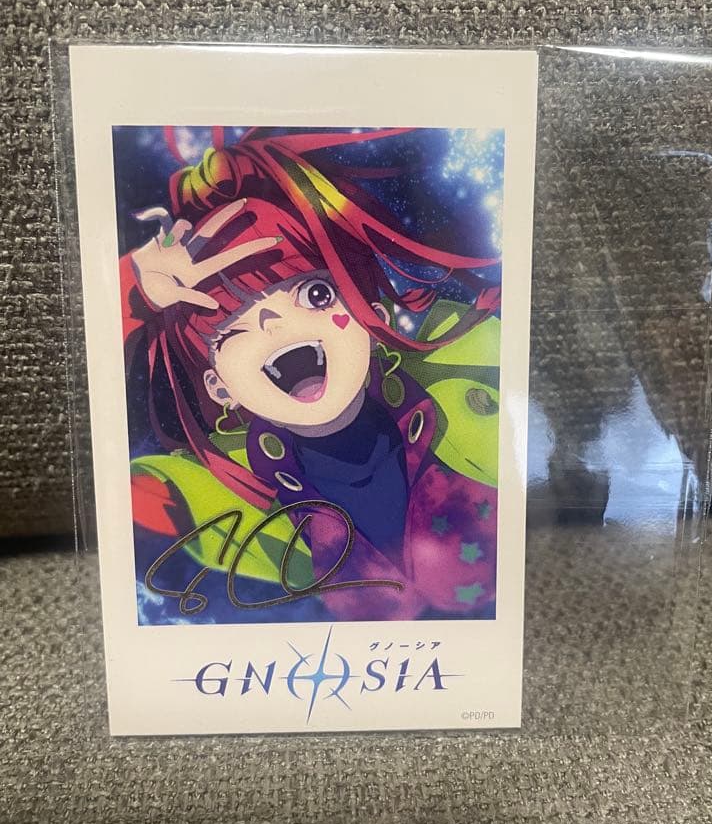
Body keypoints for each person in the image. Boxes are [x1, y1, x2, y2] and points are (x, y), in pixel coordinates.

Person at [121, 127, 502, 623]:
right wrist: (132, 290)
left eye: (315, 295)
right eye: (232, 329)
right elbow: (113, 489)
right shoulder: (218, 489)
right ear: (219, 387)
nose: (273, 321)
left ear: (373, 318)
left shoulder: (464, 371)